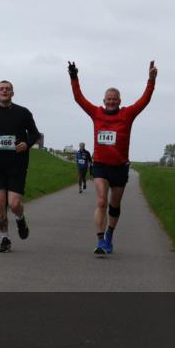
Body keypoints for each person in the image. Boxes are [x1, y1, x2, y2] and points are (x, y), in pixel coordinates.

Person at [68, 60, 157, 254]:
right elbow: (79, 98)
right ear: (103, 100)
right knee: (101, 201)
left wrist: (151, 80)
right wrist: (74, 77)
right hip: (100, 165)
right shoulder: (96, 113)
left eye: (114, 99)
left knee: (114, 205)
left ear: (119, 100)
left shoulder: (128, 114)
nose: (111, 102)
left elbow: (145, 100)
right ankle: (100, 241)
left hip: (119, 167)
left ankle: (109, 234)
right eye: (108, 99)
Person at [0, 81, 41, 253]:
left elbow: (34, 133)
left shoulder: (23, 112)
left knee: (14, 203)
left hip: (17, 164)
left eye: (7, 89)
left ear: (12, 93)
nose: (4, 91)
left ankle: (20, 218)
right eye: (1, 89)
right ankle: (5, 239)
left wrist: (26, 143)